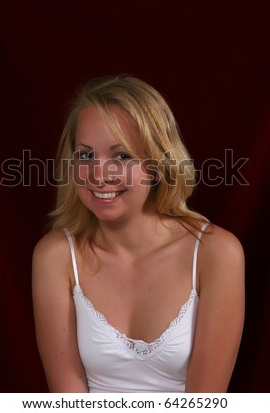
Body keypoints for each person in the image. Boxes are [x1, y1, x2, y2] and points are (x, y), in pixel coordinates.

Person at [32, 75, 245, 393]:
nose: (100, 175)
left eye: (122, 156)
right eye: (86, 155)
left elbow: (206, 402)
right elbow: (67, 398)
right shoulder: (56, 256)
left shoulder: (216, 253)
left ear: (158, 164)